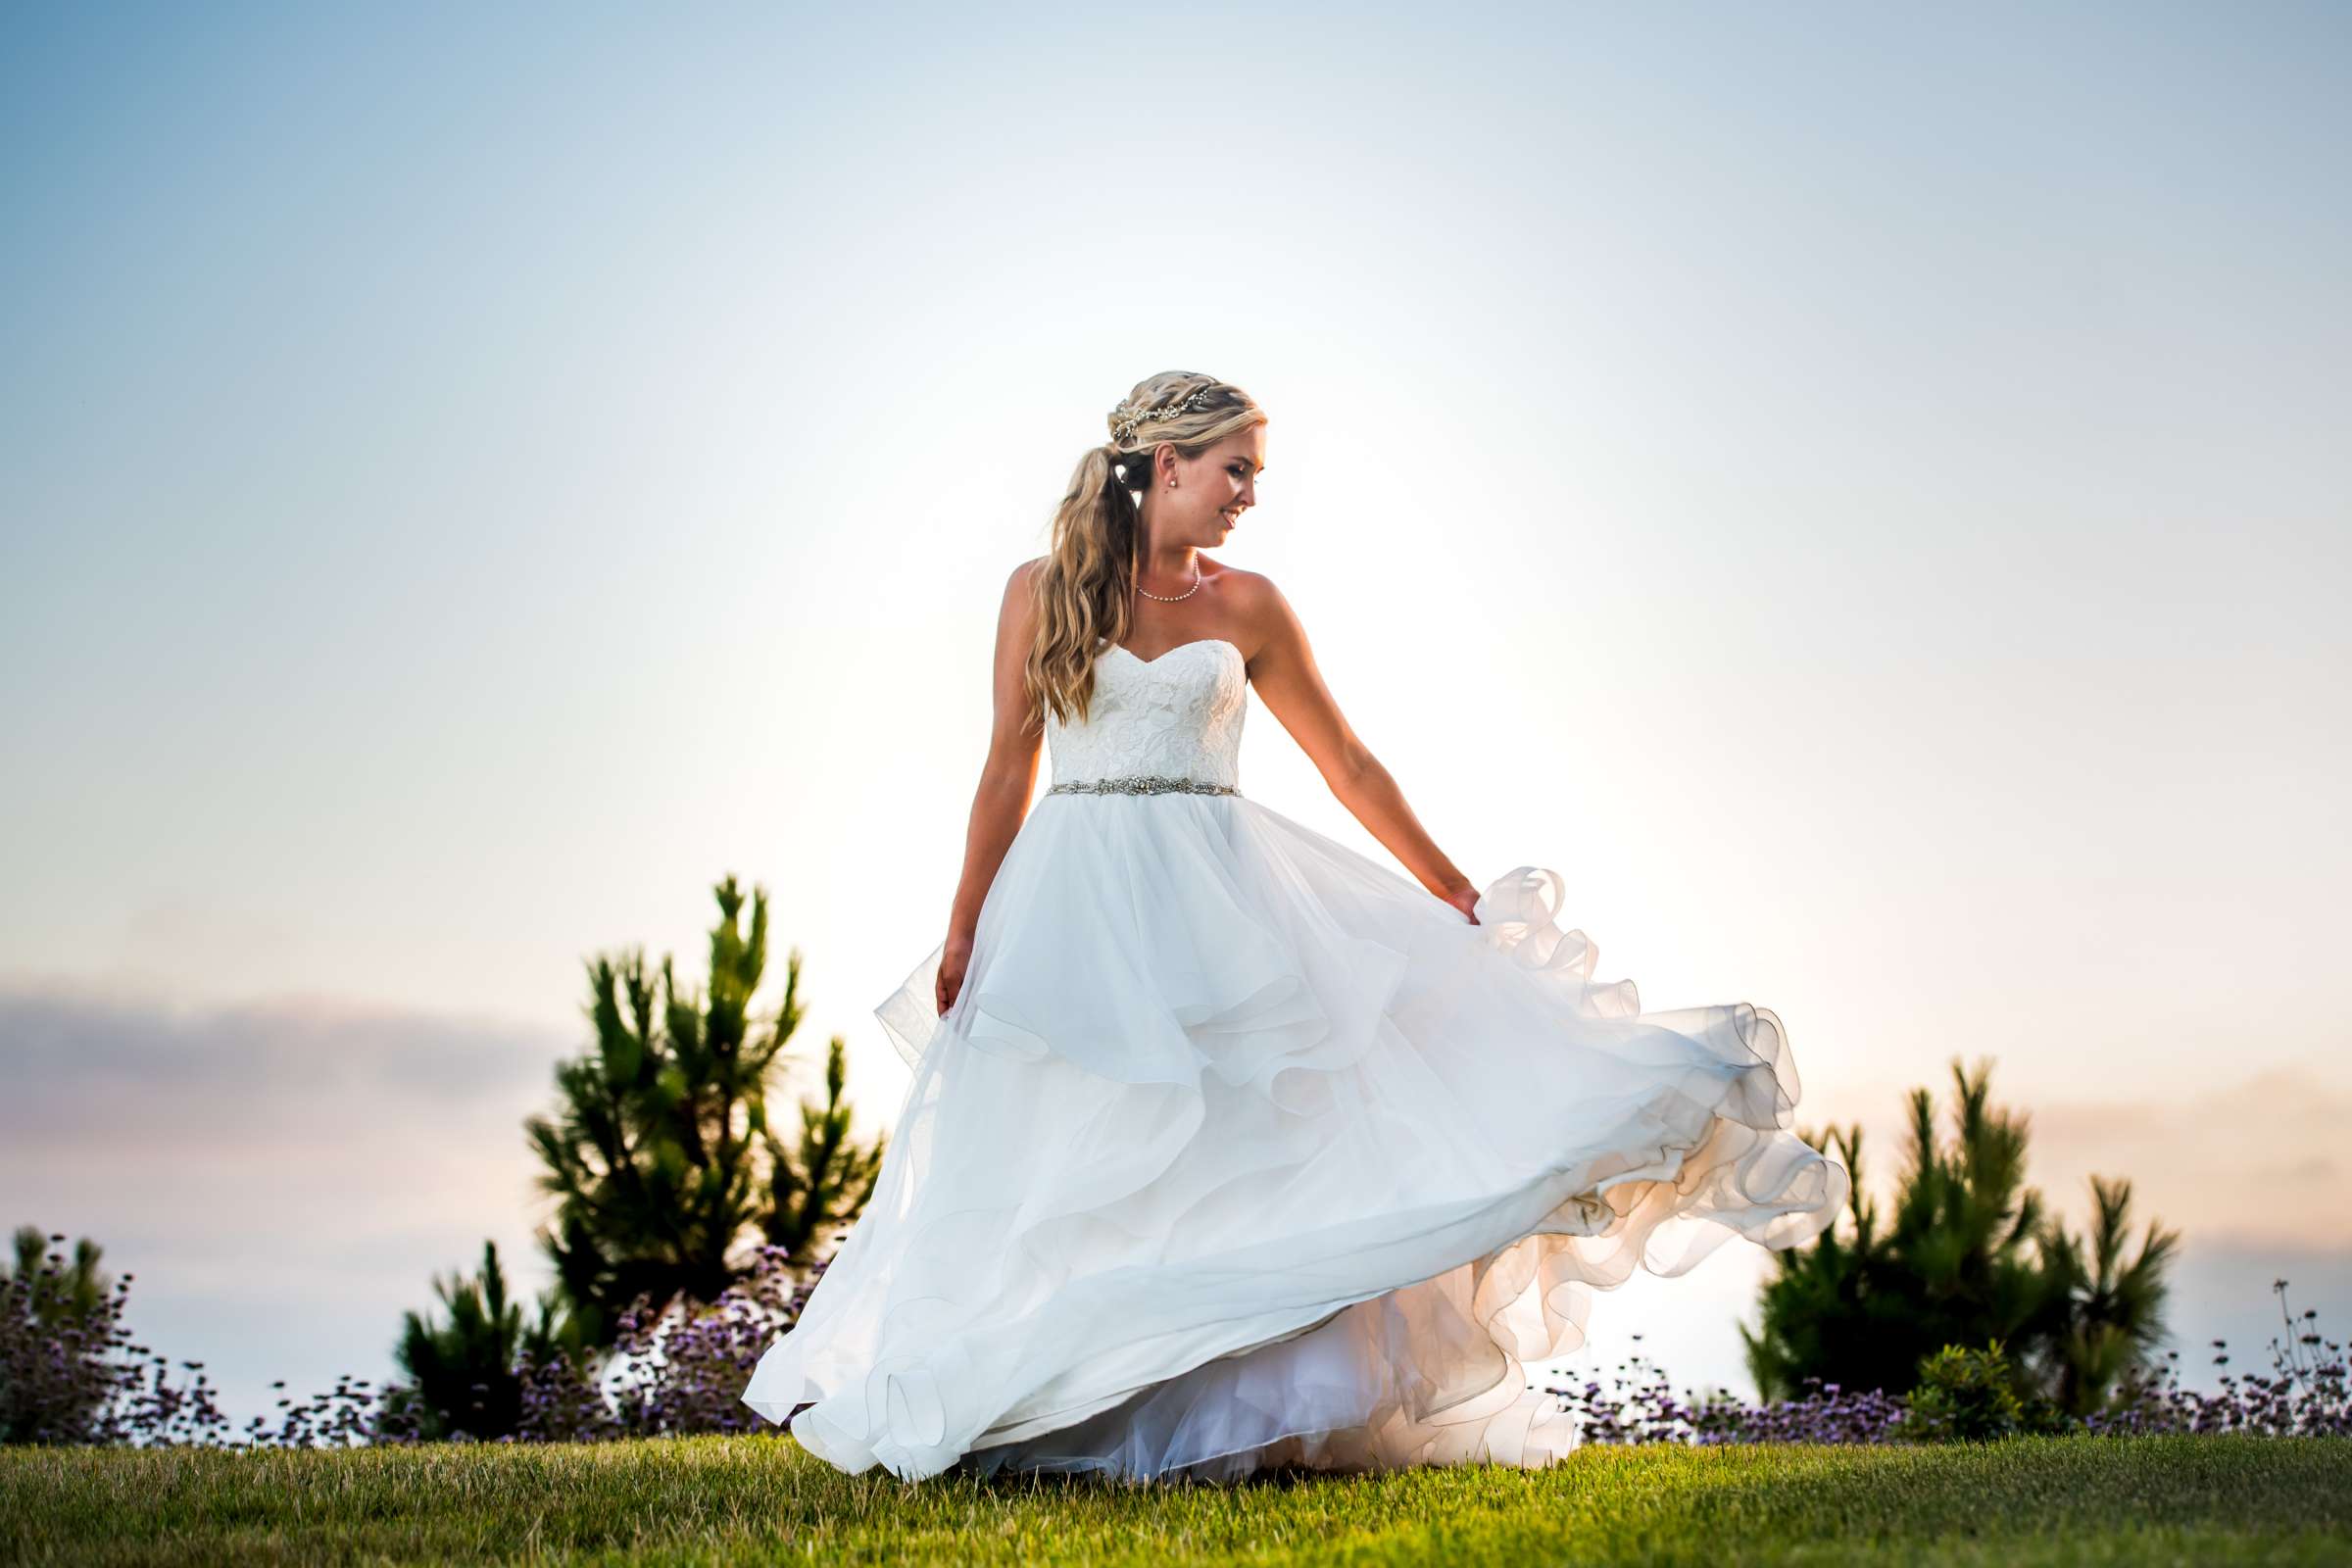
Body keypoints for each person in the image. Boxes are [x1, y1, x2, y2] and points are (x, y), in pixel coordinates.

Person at [740, 370, 1848, 1482]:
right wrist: (966, 925)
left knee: (1246, 1154)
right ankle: (1067, 1411)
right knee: (1089, 1159)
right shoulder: (1042, 590)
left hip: (1226, 906)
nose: (1249, 496)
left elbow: (1350, 765)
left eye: (1253, 476)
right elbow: (1005, 765)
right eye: (1236, 470)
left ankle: (1237, 1419)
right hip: (1075, 906)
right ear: (1165, 465)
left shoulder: (1251, 605)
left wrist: (1449, 888)